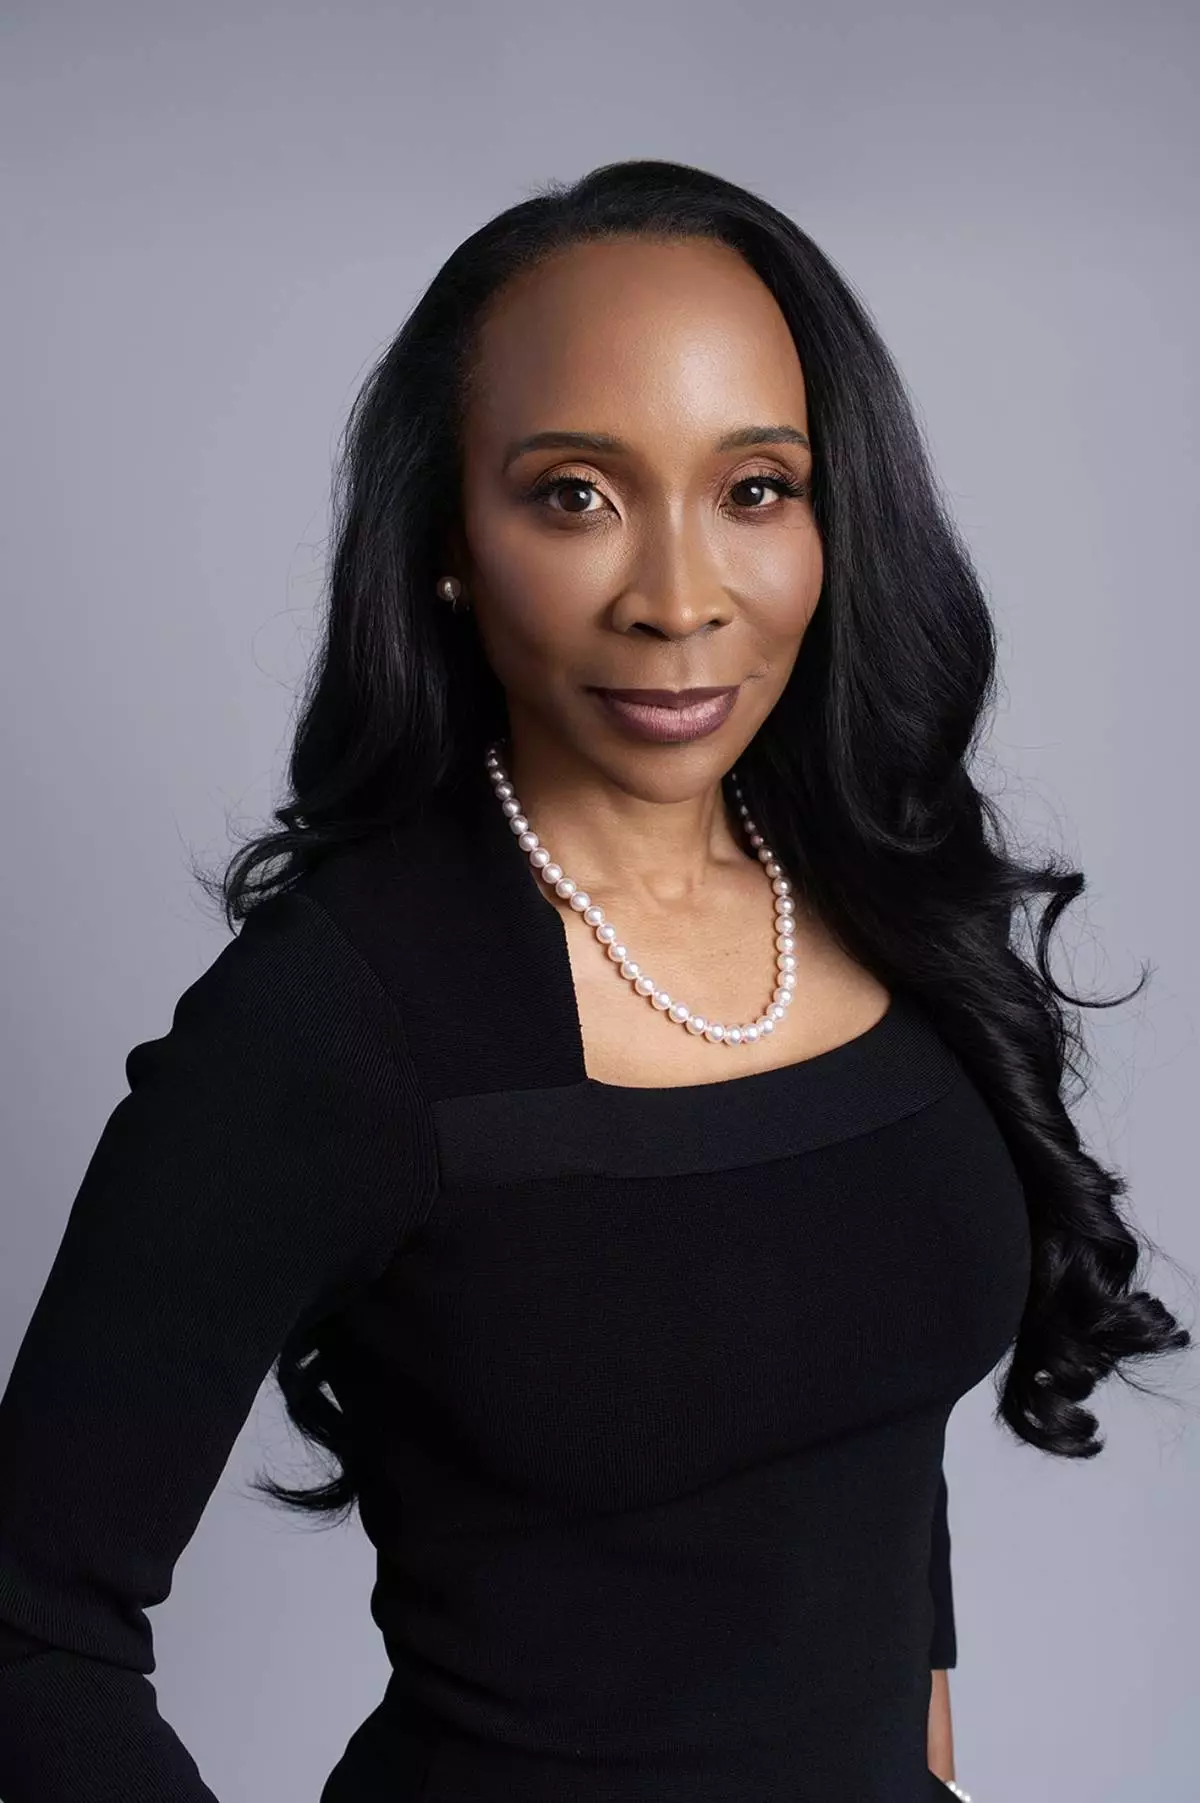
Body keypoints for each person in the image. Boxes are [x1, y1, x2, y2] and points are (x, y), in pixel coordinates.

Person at [0, 158, 1188, 1803]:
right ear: (448, 539)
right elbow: (29, 1627)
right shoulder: (343, 1014)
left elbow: (862, 1463)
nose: (679, 599)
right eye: (575, 494)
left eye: (755, 488)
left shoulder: (881, 896)